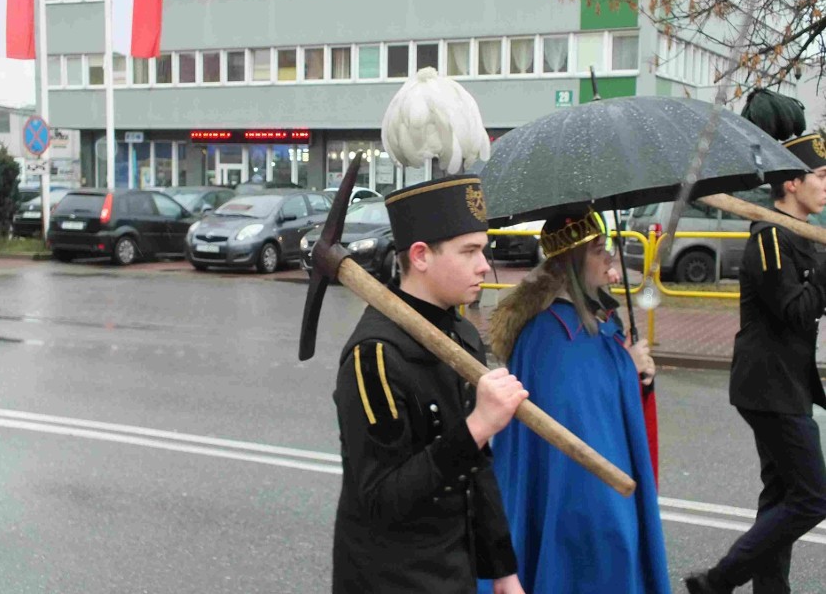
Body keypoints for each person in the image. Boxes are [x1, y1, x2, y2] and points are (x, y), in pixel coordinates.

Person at [332, 175, 528, 594]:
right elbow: (382, 501)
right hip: (390, 578)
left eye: (484, 249)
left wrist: (503, 570)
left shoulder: (462, 334)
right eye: (470, 251)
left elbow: (477, 469)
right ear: (421, 255)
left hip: (453, 569)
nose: (484, 265)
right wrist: (477, 425)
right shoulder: (377, 357)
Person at [478, 208, 671, 594]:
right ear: (574, 260)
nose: (610, 259)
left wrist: (635, 373)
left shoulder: (598, 322)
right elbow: (577, 432)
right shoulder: (551, 337)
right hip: (582, 499)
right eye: (600, 250)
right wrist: (625, 367)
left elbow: (609, 405)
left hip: (602, 488)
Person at [685, 132, 826, 594]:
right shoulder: (769, 238)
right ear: (791, 184)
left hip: (789, 383)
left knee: (783, 494)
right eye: (822, 177)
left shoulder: (802, 236)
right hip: (768, 386)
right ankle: (718, 580)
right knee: (812, 498)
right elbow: (794, 311)